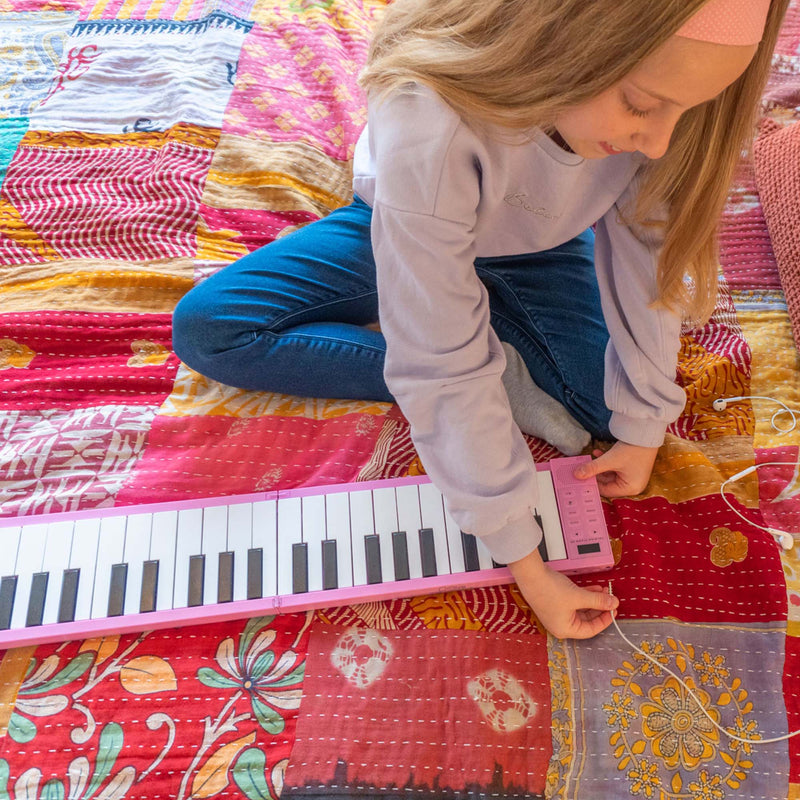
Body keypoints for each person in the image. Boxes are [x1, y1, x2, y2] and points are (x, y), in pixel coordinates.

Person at [173, 0, 787, 639]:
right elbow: (440, 362)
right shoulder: (430, 121)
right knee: (215, 329)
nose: (657, 141)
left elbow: (646, 260)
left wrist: (642, 427)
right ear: (565, 39)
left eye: (683, 109)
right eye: (640, 106)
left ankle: (492, 357)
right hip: (409, 220)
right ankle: (494, 371)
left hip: (544, 244)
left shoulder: (666, 103)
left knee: (612, 414)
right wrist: (524, 558)